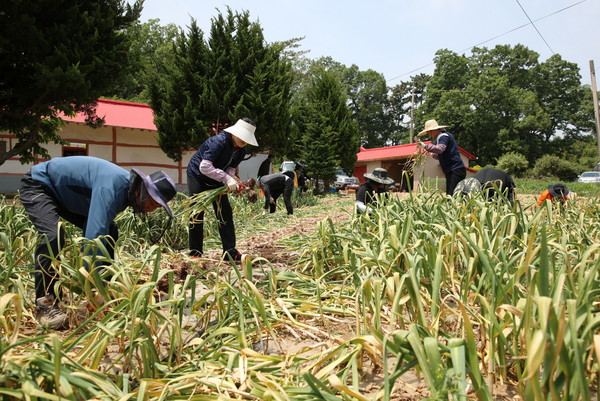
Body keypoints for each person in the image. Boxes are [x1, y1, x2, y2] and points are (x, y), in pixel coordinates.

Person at [19, 156, 177, 329]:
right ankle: (45, 305)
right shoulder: (113, 187)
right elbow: (94, 239)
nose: (151, 209)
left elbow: (101, 229)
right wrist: (91, 285)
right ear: (144, 191)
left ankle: (104, 289)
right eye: (153, 202)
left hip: (65, 195)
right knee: (53, 236)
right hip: (40, 185)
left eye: (157, 207)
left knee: (111, 230)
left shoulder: (126, 193)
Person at [187, 117, 258, 261]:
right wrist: (226, 178)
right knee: (197, 213)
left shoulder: (241, 151)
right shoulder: (218, 142)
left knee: (225, 212)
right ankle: (195, 252)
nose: (244, 141)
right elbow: (205, 167)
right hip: (198, 176)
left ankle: (230, 252)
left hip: (217, 179)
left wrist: (231, 179)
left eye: (247, 138)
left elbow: (230, 168)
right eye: (242, 136)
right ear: (235, 132)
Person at [417, 120, 466, 196]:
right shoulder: (441, 137)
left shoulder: (443, 137)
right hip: (453, 170)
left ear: (436, 130)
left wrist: (425, 146)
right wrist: (431, 154)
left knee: (452, 195)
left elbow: (440, 149)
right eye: (428, 132)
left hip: (455, 170)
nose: (429, 134)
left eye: (430, 132)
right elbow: (442, 155)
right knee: (455, 194)